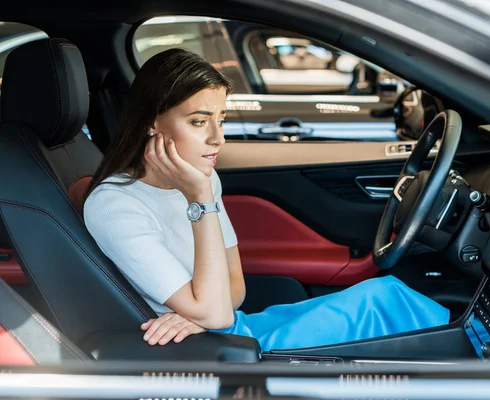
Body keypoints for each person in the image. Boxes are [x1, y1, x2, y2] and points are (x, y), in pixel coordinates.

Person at [83, 48, 449, 351]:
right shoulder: (116, 206)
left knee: (385, 293)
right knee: (380, 307)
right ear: (152, 122)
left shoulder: (203, 179)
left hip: (228, 328)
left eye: (221, 119)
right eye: (198, 122)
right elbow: (216, 314)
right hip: (210, 349)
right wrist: (200, 198)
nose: (218, 139)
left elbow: (235, 288)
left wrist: (206, 313)